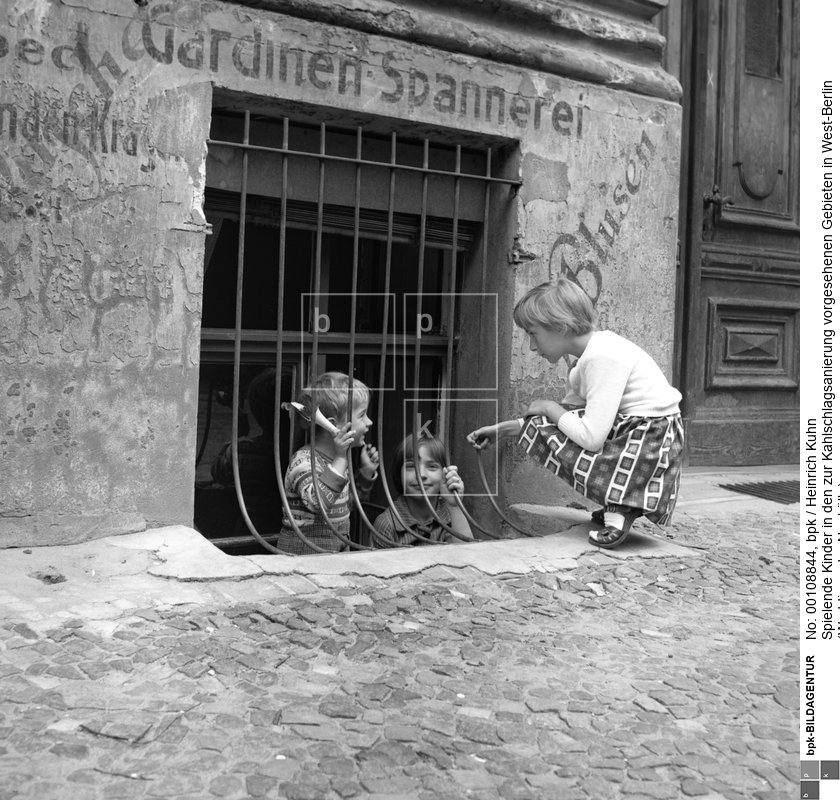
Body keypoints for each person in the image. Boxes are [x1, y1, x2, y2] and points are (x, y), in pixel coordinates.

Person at [467, 279, 684, 549]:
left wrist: (548, 406)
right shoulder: (589, 359)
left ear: (560, 326)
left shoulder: (603, 357)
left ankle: (621, 507)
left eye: (532, 334)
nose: (531, 347)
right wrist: (504, 430)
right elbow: (562, 419)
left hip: (648, 443)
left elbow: (590, 437)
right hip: (637, 434)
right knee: (555, 421)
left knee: (564, 423)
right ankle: (619, 499)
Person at [276, 372, 380, 555]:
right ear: (334, 426)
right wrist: (341, 459)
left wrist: (364, 475)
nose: (369, 422)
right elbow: (318, 503)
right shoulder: (304, 461)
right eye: (362, 415)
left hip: (335, 551)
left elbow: (345, 505)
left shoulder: (337, 463)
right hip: (305, 556)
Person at [210, 368, 283, 536]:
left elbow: (217, 472)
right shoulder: (303, 449)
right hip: (285, 531)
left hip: (251, 531)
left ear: (255, 410)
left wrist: (240, 433)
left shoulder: (243, 451)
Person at [373, 433, 472, 547]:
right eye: (410, 466)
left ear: (445, 474)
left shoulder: (450, 514)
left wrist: (455, 506)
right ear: (398, 474)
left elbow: (468, 558)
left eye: (432, 467)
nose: (421, 475)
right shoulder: (387, 524)